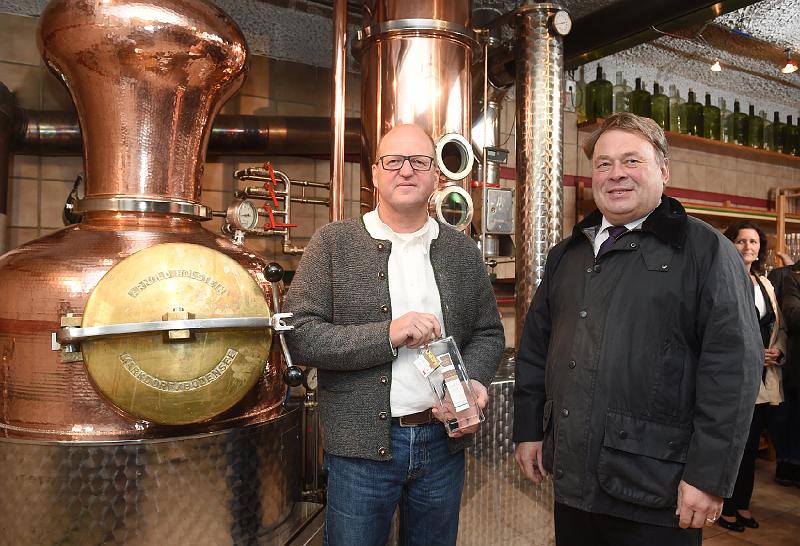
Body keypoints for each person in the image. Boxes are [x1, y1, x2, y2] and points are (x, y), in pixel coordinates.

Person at [512, 112, 762, 546]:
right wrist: (529, 429)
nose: (616, 174)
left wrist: (708, 476)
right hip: (573, 480)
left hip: (657, 489)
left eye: (632, 161)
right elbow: (536, 350)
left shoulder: (705, 251)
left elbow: (733, 370)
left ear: (663, 170)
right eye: (604, 164)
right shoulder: (567, 256)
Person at [285, 123, 504, 546]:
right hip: (361, 453)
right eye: (393, 161)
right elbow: (301, 335)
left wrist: (473, 382)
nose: (406, 171)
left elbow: (489, 332)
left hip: (443, 445)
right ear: (374, 173)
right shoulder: (334, 243)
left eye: (419, 162)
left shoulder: (461, 252)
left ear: (436, 176)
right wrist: (388, 333)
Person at [717, 222, 786, 532]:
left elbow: (778, 326)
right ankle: (725, 507)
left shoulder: (765, 283)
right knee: (733, 448)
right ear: (730, 244)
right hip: (731, 380)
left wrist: (777, 353)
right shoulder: (721, 279)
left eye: (754, 241)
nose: (748, 247)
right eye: (741, 240)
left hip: (761, 379)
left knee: (750, 448)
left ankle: (742, 505)